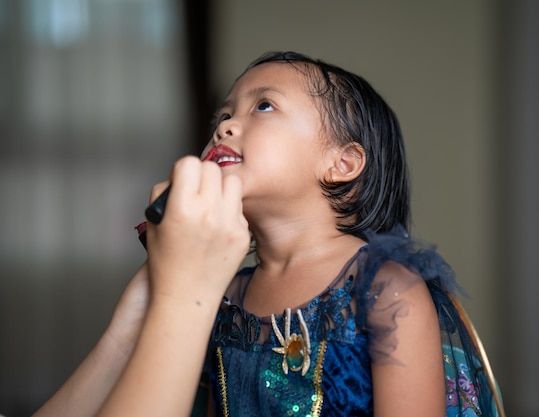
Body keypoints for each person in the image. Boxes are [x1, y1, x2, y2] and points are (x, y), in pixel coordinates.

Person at [33, 51, 502, 417]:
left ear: (342, 163)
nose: (225, 126)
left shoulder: (385, 290)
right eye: (223, 115)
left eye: (264, 105)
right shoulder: (223, 295)